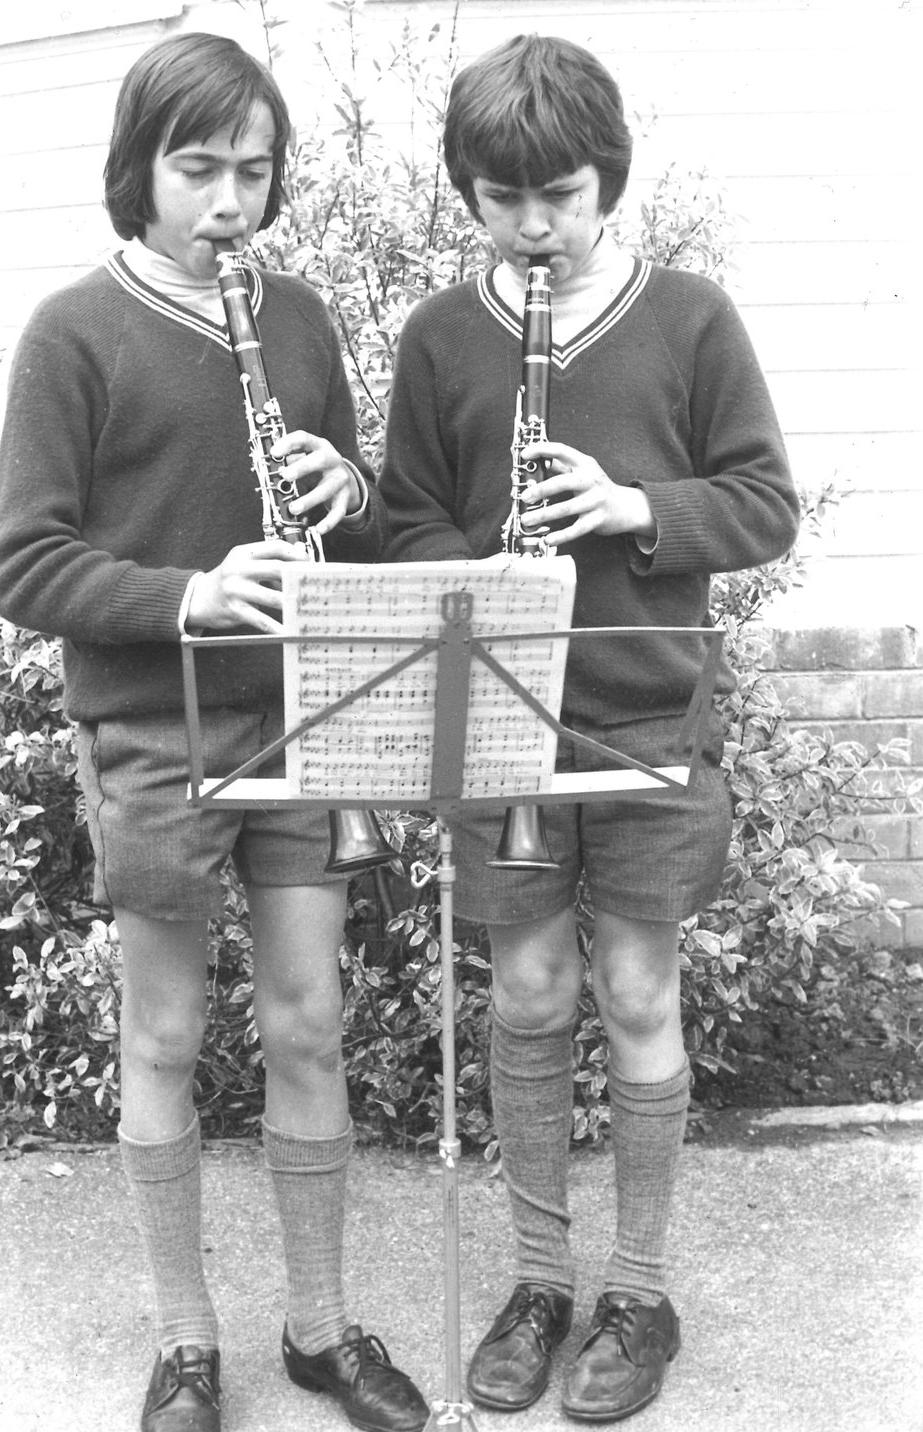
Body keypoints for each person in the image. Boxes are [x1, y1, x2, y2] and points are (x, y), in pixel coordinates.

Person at [0, 32, 429, 1432]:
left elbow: (346, 535)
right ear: (142, 170)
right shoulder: (75, 331)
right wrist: (189, 590)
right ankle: (187, 1342)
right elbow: (24, 564)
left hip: (298, 722)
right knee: (167, 1038)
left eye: (252, 171)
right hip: (154, 738)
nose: (228, 201)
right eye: (197, 171)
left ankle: (317, 1326)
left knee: (311, 1023)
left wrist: (343, 490)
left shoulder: (295, 318)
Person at [380, 33, 801, 1426]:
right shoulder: (444, 336)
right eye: (504, 202)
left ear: (605, 176)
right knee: (534, 998)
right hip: (498, 719)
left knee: (633, 997)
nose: (535, 226)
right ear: (473, 195)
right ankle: (540, 1278)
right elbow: (401, 521)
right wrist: (474, 568)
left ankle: (638, 1289)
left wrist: (636, 508)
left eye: (559, 194)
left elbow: (762, 503)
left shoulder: (688, 318)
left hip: (643, 712)